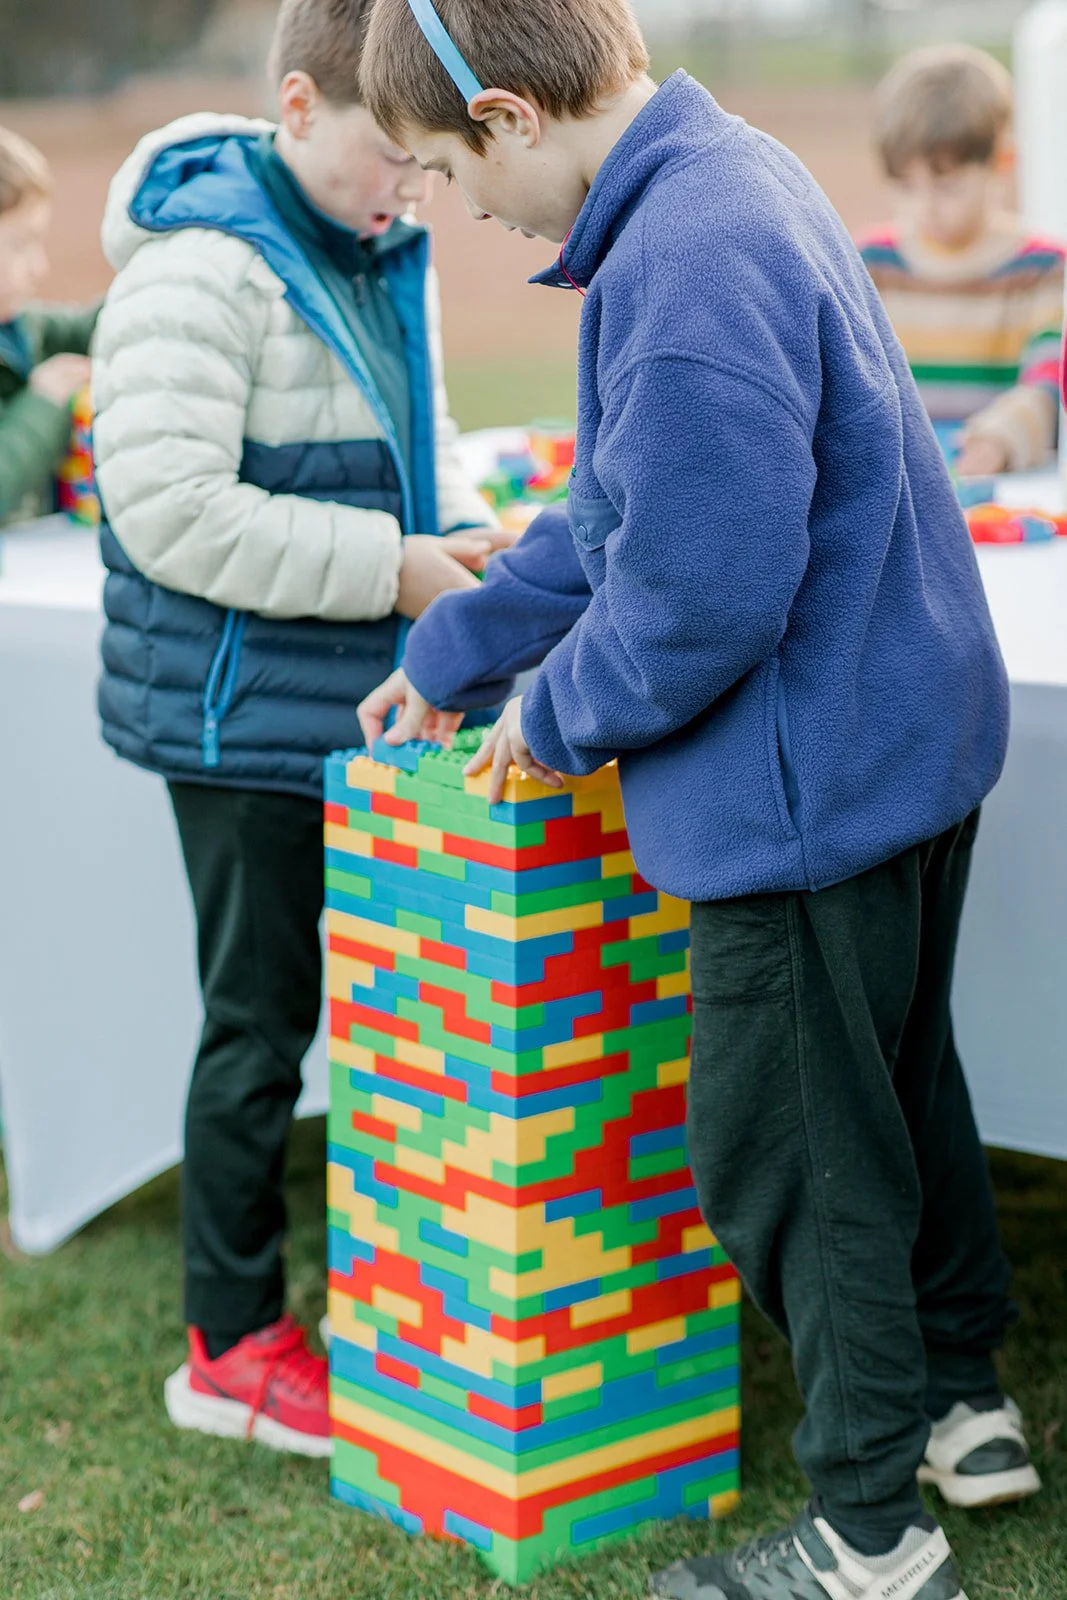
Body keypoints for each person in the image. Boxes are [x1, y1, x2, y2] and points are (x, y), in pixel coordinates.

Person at [354, 3, 1041, 1596]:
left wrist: (553, 716)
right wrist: (461, 648)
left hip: (803, 792)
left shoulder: (677, 261)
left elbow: (691, 594)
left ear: (509, 117)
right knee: (891, 1089)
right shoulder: (724, 174)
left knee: (791, 1151)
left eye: (449, 174)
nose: (464, 211)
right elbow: (617, 502)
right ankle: (957, 1395)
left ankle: (869, 1536)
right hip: (896, 744)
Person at [91, 0, 507, 1458]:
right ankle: (228, 1345)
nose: (410, 186)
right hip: (235, 720)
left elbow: (420, 448)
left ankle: (392, 1290)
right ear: (294, 104)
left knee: (386, 1010)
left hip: (351, 704)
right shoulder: (199, 265)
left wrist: (466, 540)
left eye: (424, 161)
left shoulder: (383, 246)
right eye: (387, 153)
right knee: (259, 1027)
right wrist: (393, 568)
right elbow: (168, 511)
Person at [860, 45, 1065, 479]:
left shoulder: (1042, 270)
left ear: (1002, 162)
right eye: (905, 186)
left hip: (1002, 484)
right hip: (903, 484)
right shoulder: (873, 265)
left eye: (948, 185)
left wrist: (1000, 438)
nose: (924, 208)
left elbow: (1050, 379)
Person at [0, 127, 96, 525]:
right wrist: (44, 403)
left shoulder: (18, 327)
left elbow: (89, 327)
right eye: (21, 244)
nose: (40, 267)